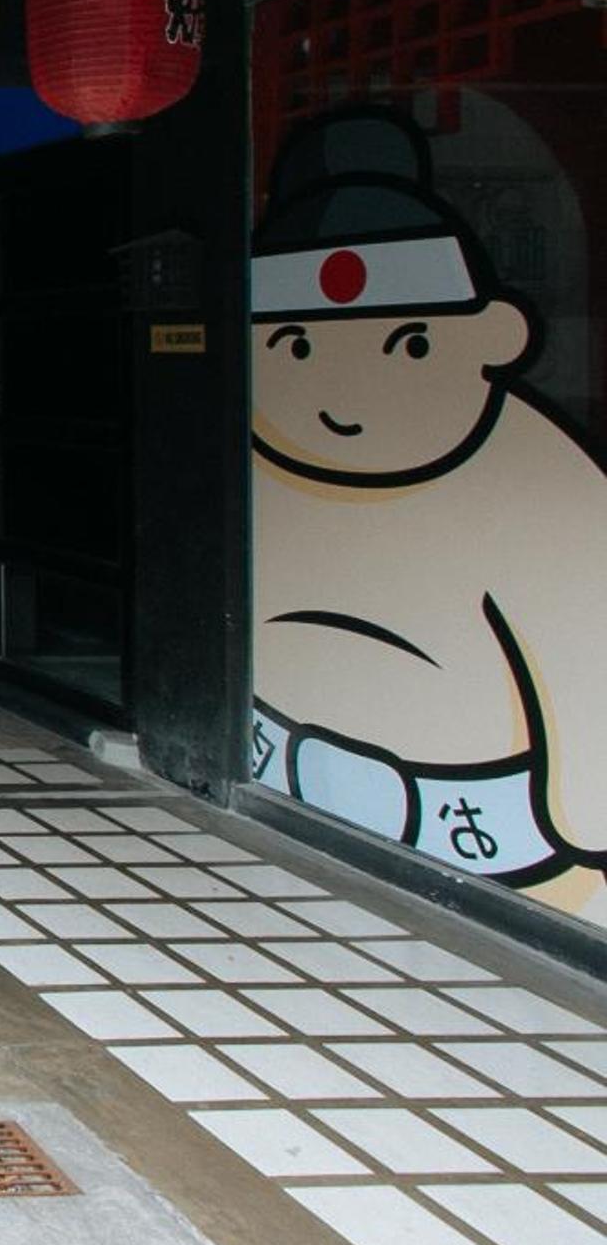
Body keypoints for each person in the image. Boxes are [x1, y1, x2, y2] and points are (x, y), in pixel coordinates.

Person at [250, 108, 607, 919]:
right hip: (276, 750)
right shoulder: (253, 456)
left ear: (494, 337)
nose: (343, 396)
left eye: (410, 344)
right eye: (296, 347)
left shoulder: (534, 478)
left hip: (479, 817)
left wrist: (585, 810)